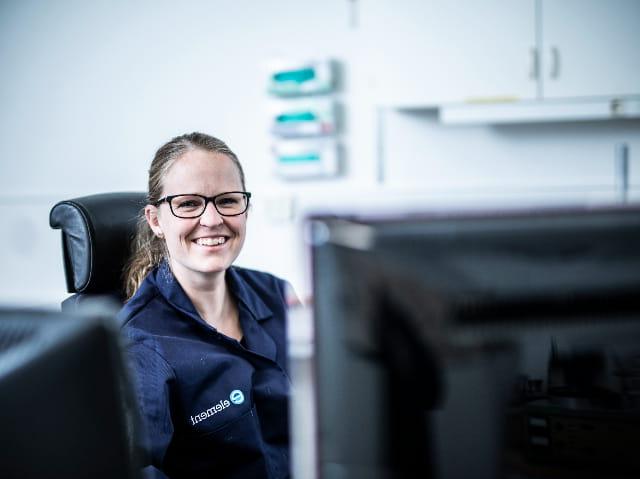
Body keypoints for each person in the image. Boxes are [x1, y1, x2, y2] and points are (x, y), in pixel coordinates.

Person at [118, 132, 293, 479]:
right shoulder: (140, 344)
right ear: (155, 220)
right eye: (188, 204)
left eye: (227, 200)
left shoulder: (275, 292)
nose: (212, 219)